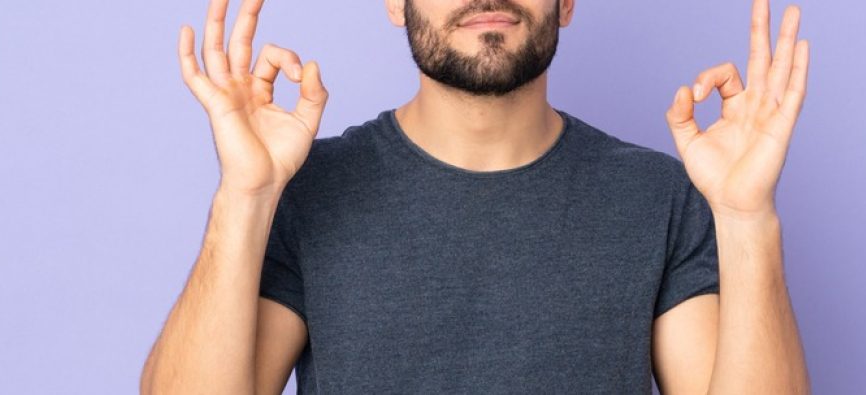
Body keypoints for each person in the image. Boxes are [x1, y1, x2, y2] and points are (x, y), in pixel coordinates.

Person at [139, 0, 810, 393]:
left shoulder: (659, 199)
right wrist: (245, 195)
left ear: (566, 1)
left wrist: (747, 217)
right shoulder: (306, 194)